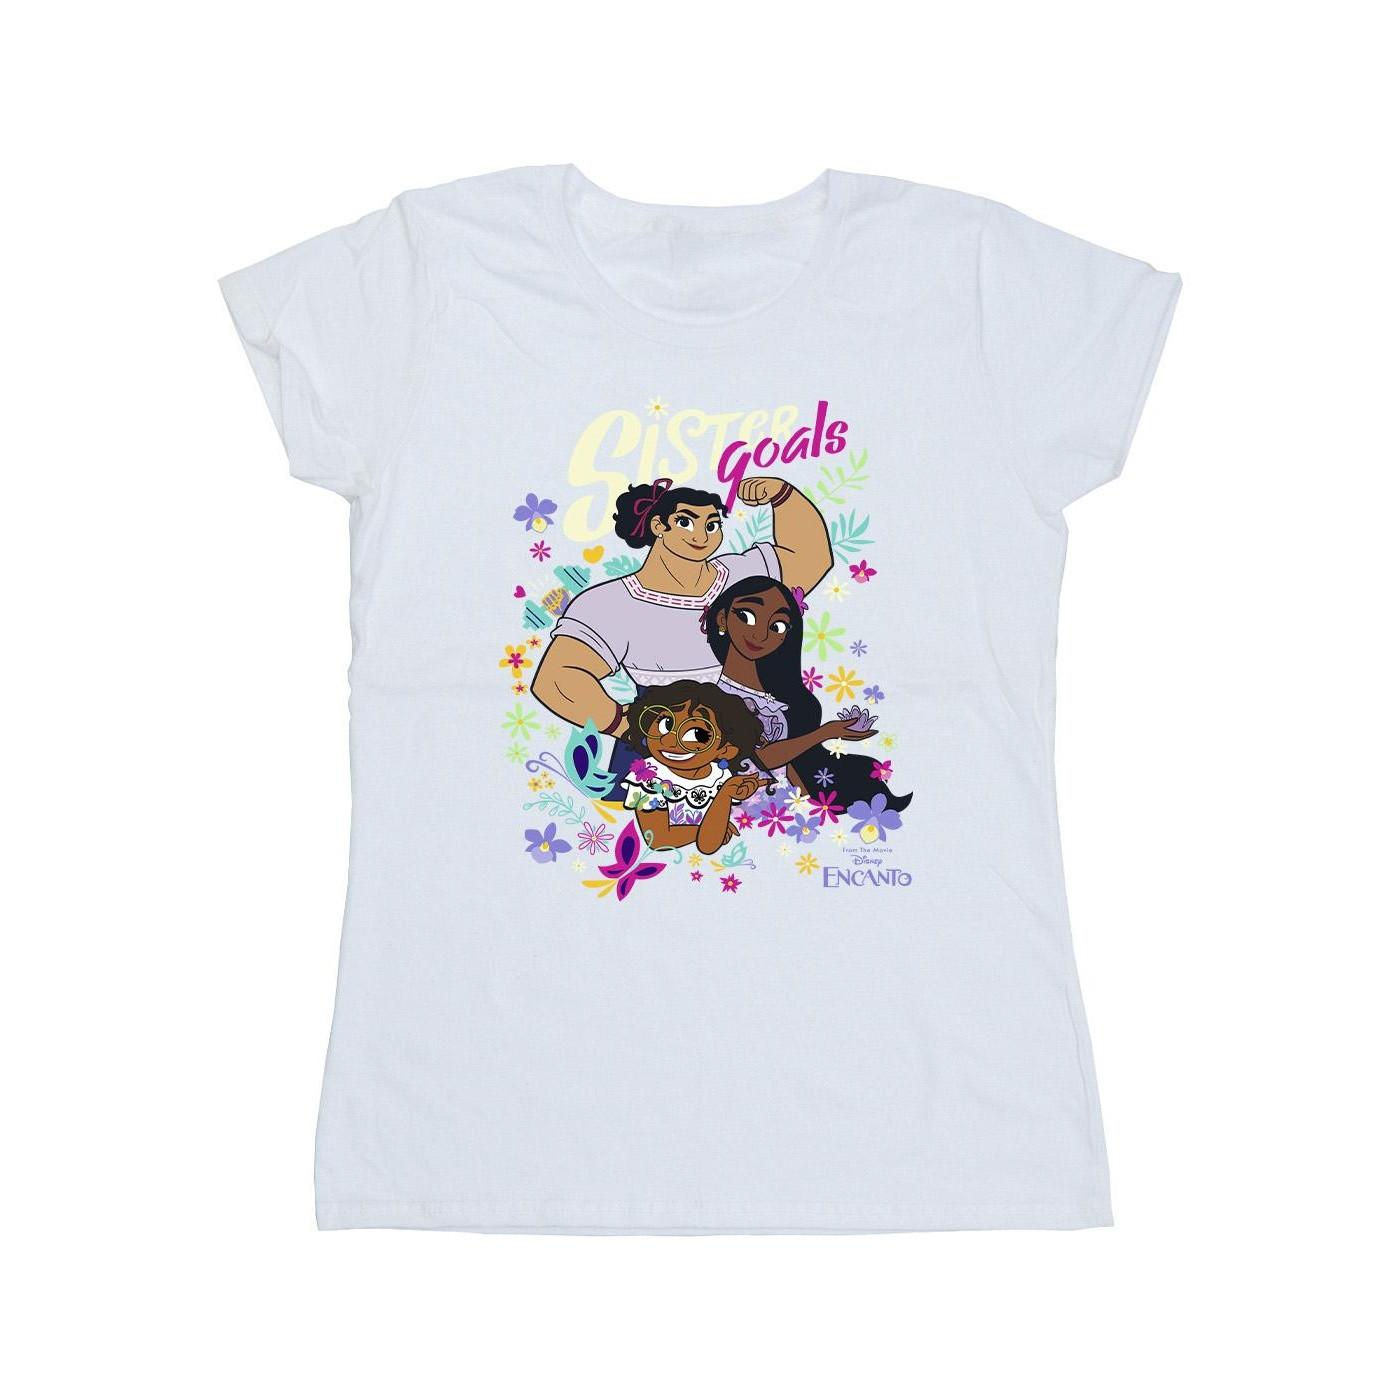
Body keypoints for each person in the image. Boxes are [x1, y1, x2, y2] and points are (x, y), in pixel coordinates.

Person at [530, 475, 832, 739]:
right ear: (658, 525)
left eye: (712, 525)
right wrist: (623, 725)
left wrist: (783, 495)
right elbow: (556, 678)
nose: (701, 536)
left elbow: (812, 559)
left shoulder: (742, 574)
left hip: (753, 739)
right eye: (685, 522)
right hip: (667, 748)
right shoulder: (613, 603)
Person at [702, 575, 912, 812]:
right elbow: (757, 758)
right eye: (747, 616)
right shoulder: (713, 699)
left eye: (777, 626)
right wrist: (826, 732)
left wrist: (812, 806)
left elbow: (793, 768)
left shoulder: (785, 699)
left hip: (786, 806)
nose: (760, 635)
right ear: (722, 618)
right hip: (744, 807)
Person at [620, 681, 772, 854]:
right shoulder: (647, 777)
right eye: (666, 724)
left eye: (696, 734)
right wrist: (712, 829)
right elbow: (657, 839)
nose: (668, 740)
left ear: (726, 750)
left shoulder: (720, 777)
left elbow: (709, 844)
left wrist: (725, 796)